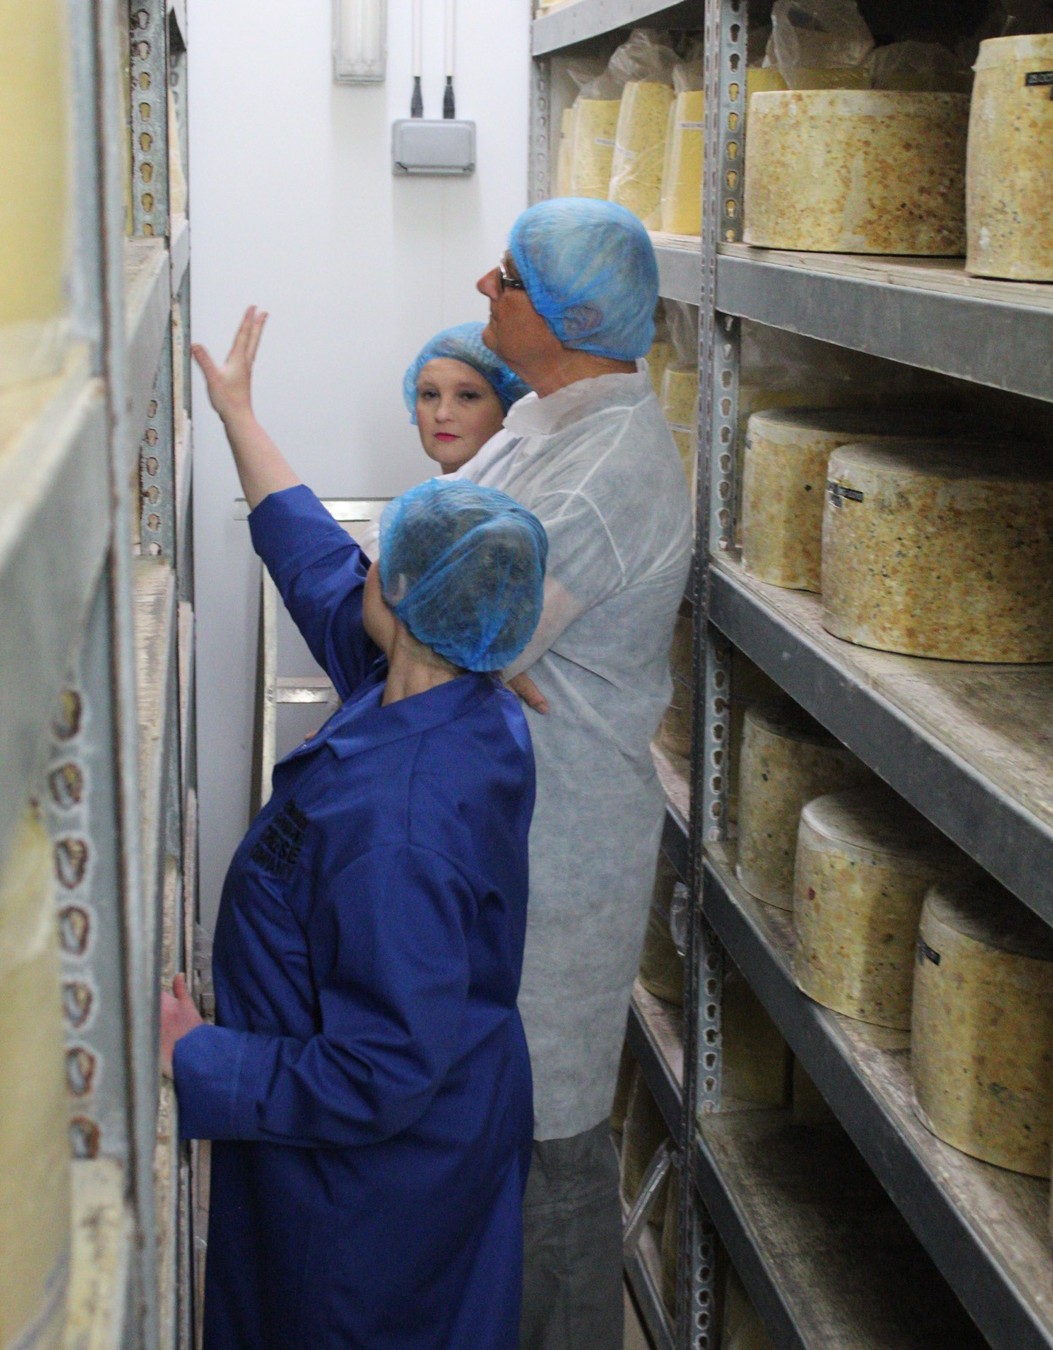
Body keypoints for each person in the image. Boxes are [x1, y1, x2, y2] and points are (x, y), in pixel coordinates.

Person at [160, 308, 548, 1350]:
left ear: (404, 597)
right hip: (403, 1141)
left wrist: (202, 1062)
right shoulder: (435, 681)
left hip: (373, 1195)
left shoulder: (404, 822)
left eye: (379, 555)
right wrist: (237, 413)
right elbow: (312, 560)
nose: (360, 564)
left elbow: (380, 1070)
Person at [453, 197, 694, 1350]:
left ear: (562, 314)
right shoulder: (546, 419)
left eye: (504, 278)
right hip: (514, 827)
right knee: (510, 1138)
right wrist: (466, 639)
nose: (483, 287)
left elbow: (454, 636)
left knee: (553, 1154)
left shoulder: (601, 474)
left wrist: (465, 639)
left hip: (563, 856)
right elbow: (454, 618)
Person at [403, 320, 530, 474]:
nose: (441, 414)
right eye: (430, 394)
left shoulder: (536, 496)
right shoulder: (427, 497)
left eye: (468, 396)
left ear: (510, 407)